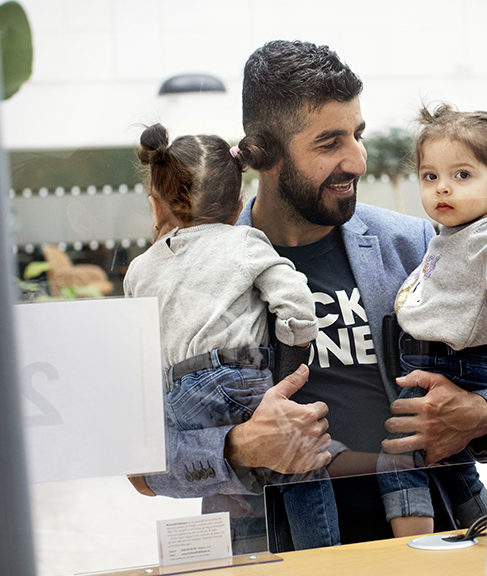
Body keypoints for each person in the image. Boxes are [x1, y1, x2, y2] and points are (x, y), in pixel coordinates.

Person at [136, 40, 487, 552]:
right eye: (329, 142)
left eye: (358, 134)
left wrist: (482, 412)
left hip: (430, 540)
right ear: (264, 154)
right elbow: (141, 465)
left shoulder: (421, 246)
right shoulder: (181, 277)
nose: (356, 160)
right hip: (272, 559)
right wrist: (238, 447)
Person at [123, 124, 340, 551]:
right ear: (236, 206)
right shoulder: (245, 241)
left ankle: (241, 563)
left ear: (157, 203)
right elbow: (296, 306)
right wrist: (284, 369)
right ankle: (323, 560)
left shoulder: (139, 269)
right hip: (236, 375)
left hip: (176, 393)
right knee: (301, 461)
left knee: (228, 481)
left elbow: (142, 352)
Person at [379, 105, 487, 538]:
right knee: (453, 466)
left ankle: (407, 546)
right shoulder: (447, 236)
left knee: (401, 455)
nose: (442, 188)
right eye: (430, 177)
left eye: (462, 175)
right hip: (452, 362)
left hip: (458, 364)